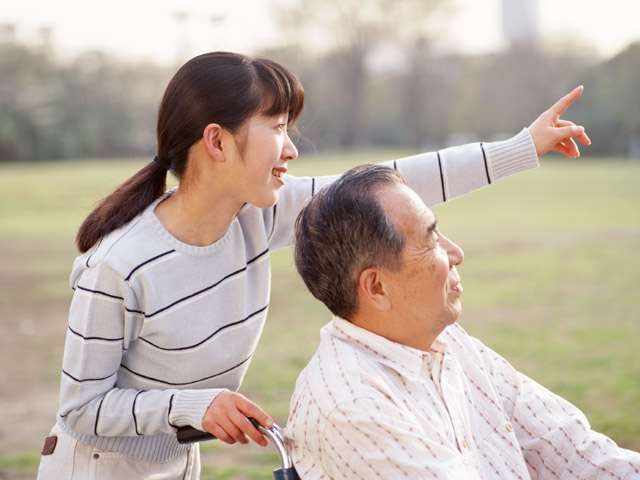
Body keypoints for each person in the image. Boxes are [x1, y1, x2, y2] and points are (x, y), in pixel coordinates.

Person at [37, 50, 589, 479]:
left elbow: (385, 185)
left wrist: (522, 147)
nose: (291, 148)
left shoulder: (259, 216)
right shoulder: (119, 267)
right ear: (217, 142)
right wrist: (195, 406)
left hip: (180, 464)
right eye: (276, 127)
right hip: (92, 469)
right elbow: (81, 407)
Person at [287, 164, 640, 479]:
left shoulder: (449, 343)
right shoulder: (351, 404)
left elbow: (571, 447)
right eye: (431, 238)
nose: (456, 253)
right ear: (377, 287)